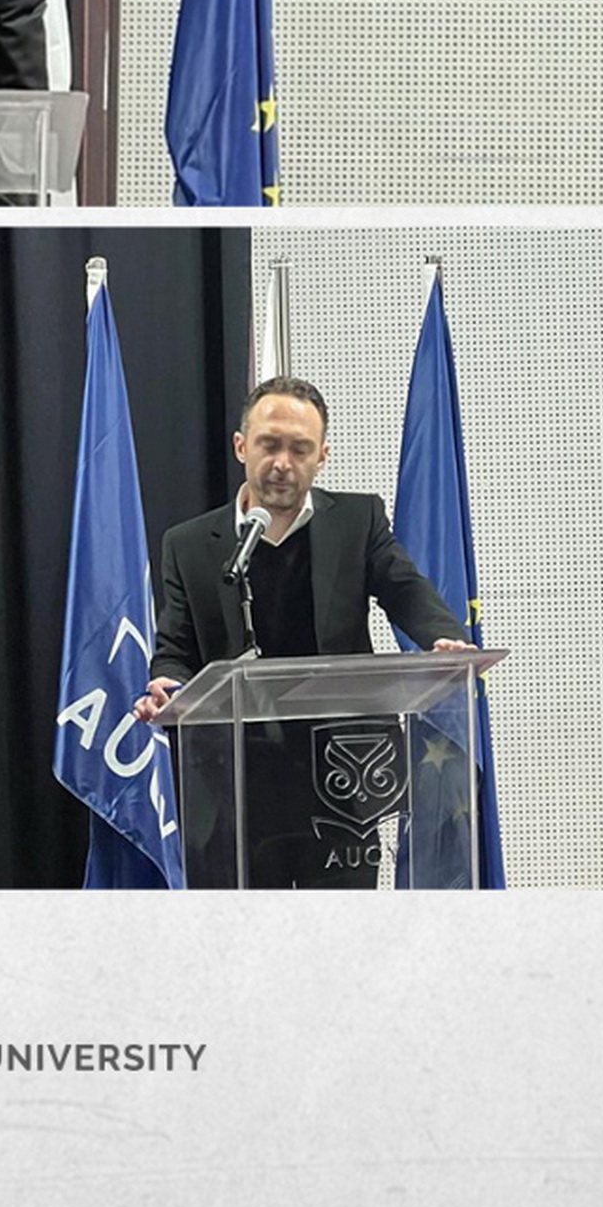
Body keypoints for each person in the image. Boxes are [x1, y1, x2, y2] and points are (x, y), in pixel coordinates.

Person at [133, 376, 473, 888]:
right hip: (233, 785)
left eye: (300, 449)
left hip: (342, 779)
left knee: (339, 928)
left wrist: (442, 637)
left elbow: (404, 588)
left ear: (323, 456)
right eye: (269, 445)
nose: (282, 463)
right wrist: (168, 685)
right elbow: (175, 649)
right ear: (241, 446)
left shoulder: (357, 520)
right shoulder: (189, 544)